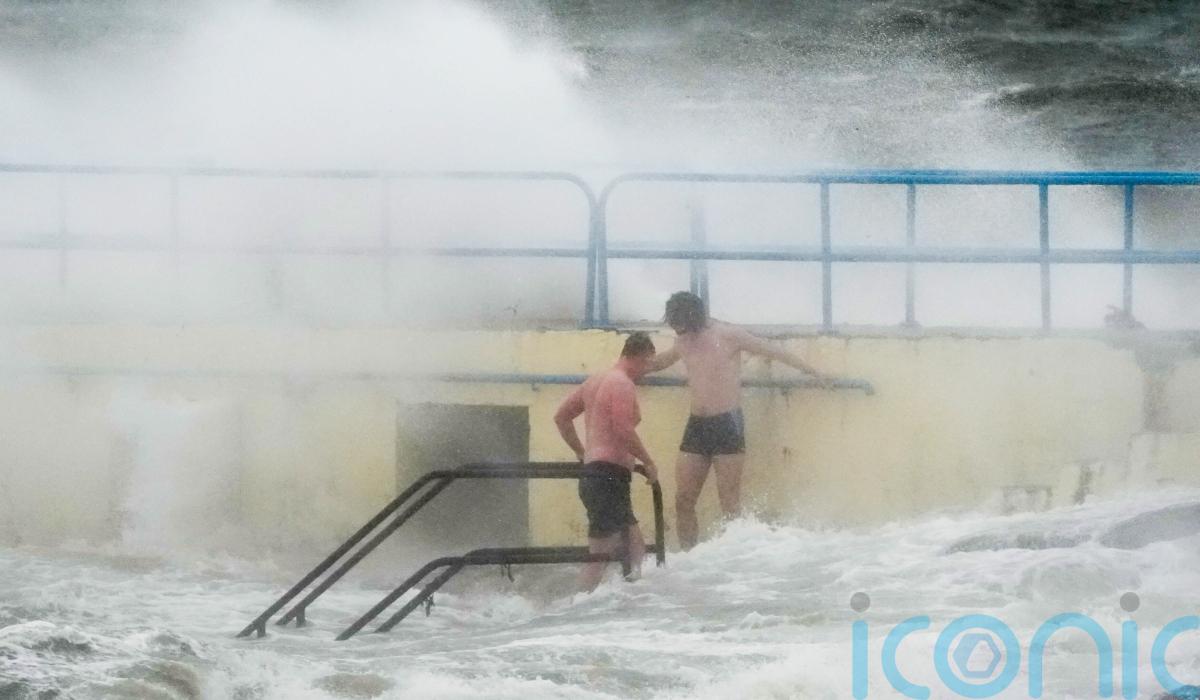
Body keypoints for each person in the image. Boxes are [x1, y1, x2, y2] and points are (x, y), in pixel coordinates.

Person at [648, 291, 834, 550]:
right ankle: (688, 558)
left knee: (729, 502)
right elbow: (659, 362)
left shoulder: (728, 335)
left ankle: (733, 560)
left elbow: (774, 351)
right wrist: (626, 367)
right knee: (683, 499)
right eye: (675, 326)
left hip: (727, 423)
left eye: (682, 325)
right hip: (697, 425)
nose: (679, 331)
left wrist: (814, 372)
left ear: (694, 317)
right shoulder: (682, 341)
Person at [554, 331, 660, 592]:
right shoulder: (622, 383)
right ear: (639, 356)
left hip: (598, 475)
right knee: (602, 553)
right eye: (648, 363)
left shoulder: (595, 381)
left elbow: (561, 417)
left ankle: (628, 603)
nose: (647, 371)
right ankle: (576, 607)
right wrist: (648, 462)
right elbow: (622, 428)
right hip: (608, 476)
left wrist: (583, 453)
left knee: (633, 547)